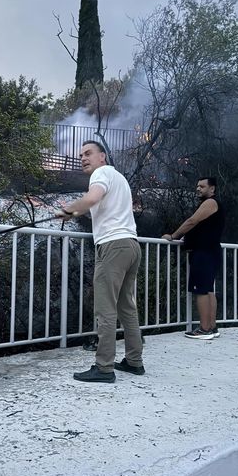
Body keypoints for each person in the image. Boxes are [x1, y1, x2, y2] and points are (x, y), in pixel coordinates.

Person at [57, 140, 145, 383]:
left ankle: (104, 368)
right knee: (127, 307)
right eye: (81, 155)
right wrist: (75, 210)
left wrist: (68, 211)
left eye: (88, 153)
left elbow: (92, 197)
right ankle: (134, 361)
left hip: (113, 246)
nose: (83, 158)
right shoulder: (119, 178)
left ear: (102, 156)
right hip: (131, 245)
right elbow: (97, 205)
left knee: (105, 309)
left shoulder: (101, 173)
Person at [162, 177, 225, 340]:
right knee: (208, 289)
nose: (198, 189)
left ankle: (204, 329)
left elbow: (192, 221)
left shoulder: (210, 203)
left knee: (201, 290)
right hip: (210, 251)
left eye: (202, 186)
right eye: (197, 186)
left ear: (212, 189)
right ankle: (212, 327)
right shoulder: (211, 203)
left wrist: (174, 236)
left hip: (204, 252)